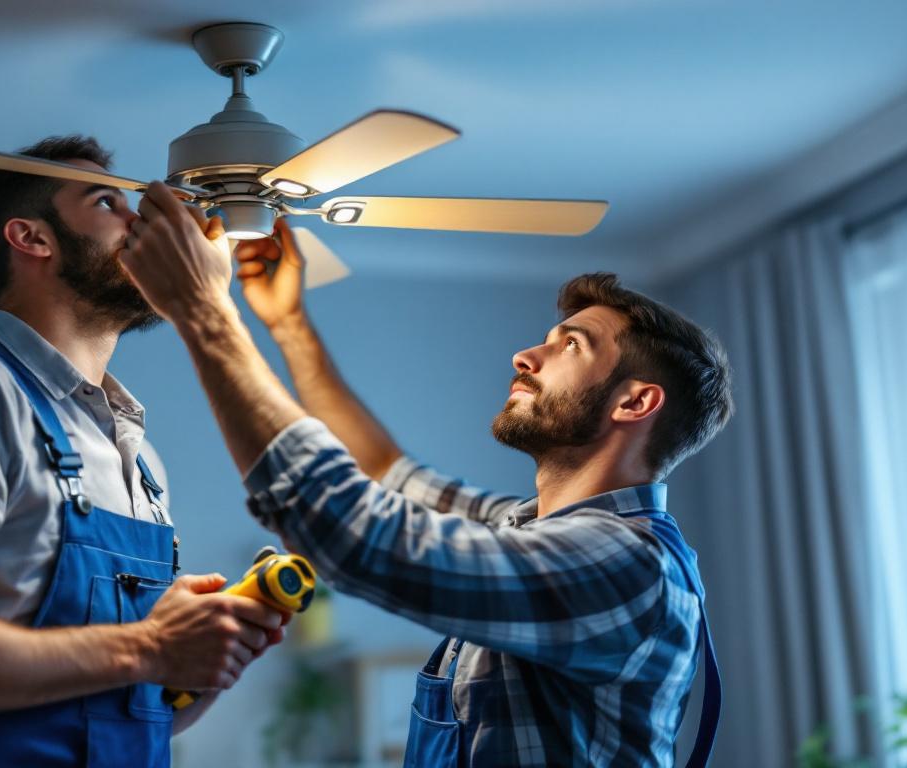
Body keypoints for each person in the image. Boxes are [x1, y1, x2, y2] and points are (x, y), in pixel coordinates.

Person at [117, 182, 734, 767]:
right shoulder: (528, 530)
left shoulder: (627, 566)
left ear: (634, 404)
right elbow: (386, 473)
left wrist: (204, 310)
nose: (526, 355)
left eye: (570, 346)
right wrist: (287, 323)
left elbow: (358, 534)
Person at [0, 137, 282, 768]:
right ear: (33, 238)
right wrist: (151, 646)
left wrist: (204, 659)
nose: (140, 221)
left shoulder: (140, 460)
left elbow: (117, 709)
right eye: (108, 202)